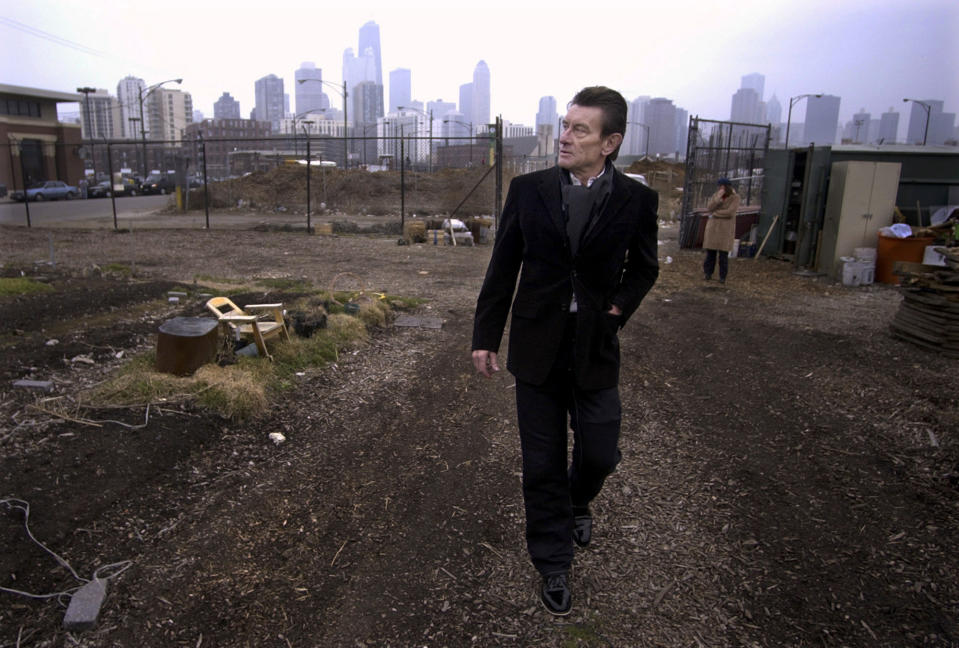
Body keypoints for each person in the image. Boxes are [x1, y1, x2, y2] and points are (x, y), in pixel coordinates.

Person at [471, 86, 659, 616]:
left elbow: (644, 267)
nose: (565, 136)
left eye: (580, 129)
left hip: (595, 346)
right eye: (565, 125)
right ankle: (553, 562)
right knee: (542, 461)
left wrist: (618, 309)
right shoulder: (527, 190)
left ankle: (580, 501)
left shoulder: (637, 200)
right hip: (536, 348)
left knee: (600, 451)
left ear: (610, 142)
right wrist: (485, 337)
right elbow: (503, 267)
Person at [702, 178, 741, 283]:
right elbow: (709, 207)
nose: (720, 188)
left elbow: (730, 212)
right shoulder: (717, 195)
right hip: (713, 228)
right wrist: (718, 199)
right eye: (719, 186)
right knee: (710, 254)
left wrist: (715, 214)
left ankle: (722, 276)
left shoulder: (735, 197)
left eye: (722, 186)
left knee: (723, 256)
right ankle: (708, 273)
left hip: (725, 229)